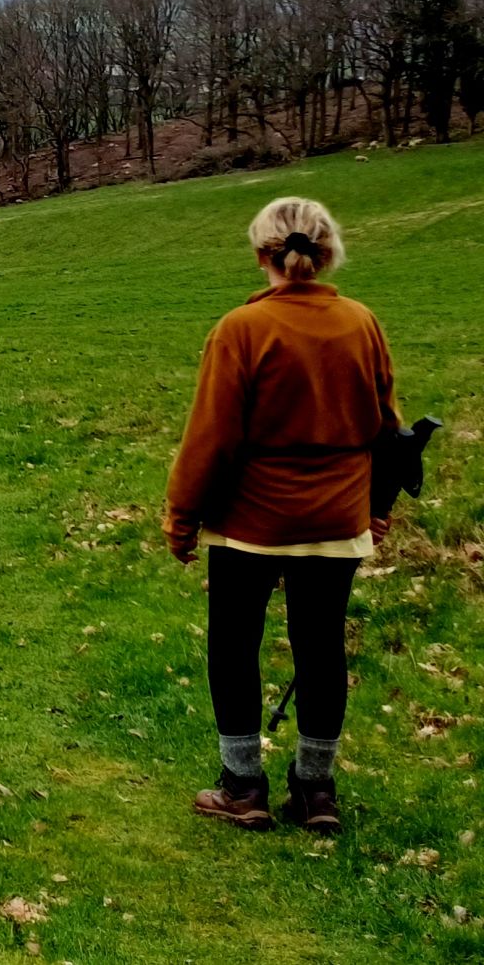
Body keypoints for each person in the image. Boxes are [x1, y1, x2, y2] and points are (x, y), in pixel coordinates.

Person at [164, 196, 398, 835]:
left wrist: (181, 520)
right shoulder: (362, 323)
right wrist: (373, 511)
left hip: (251, 523)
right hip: (334, 523)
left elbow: (209, 438)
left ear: (260, 252)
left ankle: (243, 784)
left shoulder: (240, 329)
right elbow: (386, 429)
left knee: (234, 644)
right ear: (327, 252)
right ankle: (315, 791)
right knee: (321, 650)